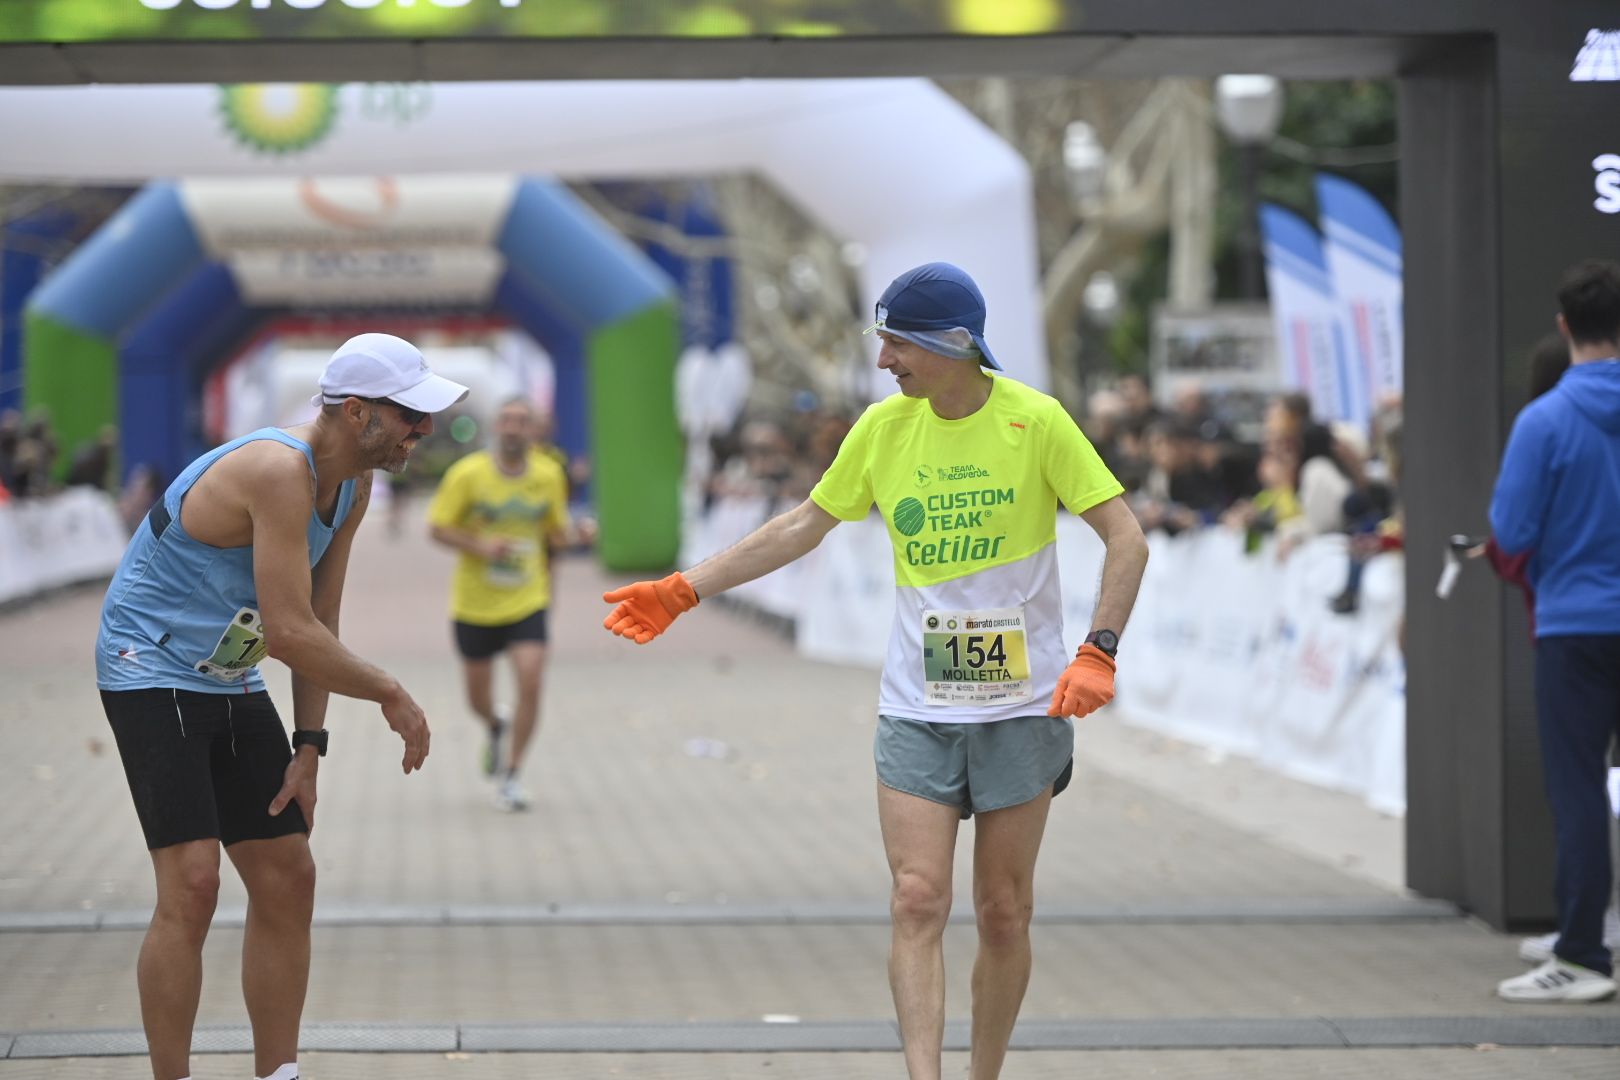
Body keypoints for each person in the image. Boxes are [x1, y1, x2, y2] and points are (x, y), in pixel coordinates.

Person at [602, 262, 1149, 1080]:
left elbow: (1126, 537)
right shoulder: (883, 430)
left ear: (955, 344)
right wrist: (685, 589)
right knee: (917, 898)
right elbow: (798, 528)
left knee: (1004, 913)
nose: (885, 359)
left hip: (1023, 710)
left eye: (897, 341)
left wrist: (1098, 650)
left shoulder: (1035, 422)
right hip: (918, 709)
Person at [95, 332, 463, 1080]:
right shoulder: (276, 468)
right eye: (410, 417)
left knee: (289, 872)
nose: (423, 432)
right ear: (356, 412)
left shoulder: (352, 487)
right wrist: (390, 692)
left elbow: (318, 621)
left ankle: (279, 1072)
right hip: (148, 664)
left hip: (226, 674)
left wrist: (310, 746)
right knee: (193, 885)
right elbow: (290, 632)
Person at [1489, 259, 1620, 1004]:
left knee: (1579, 792)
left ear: (1566, 327)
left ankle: (1581, 954)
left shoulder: (1544, 421)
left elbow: (1510, 535)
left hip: (1573, 624)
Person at [428, 396, 577, 811]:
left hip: (528, 598)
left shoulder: (549, 475)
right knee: (477, 698)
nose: (513, 427)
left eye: (522, 421)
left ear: (534, 430)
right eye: (507, 420)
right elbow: (438, 529)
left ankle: (512, 775)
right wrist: (482, 546)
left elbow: (555, 534)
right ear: (497, 427)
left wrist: (570, 541)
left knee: (531, 678)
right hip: (474, 602)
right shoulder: (468, 475)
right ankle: (495, 724)